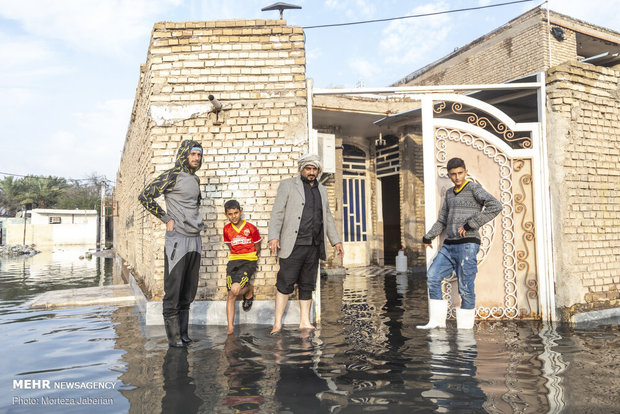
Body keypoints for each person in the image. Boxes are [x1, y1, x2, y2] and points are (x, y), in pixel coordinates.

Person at [417, 157, 502, 330]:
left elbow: (496, 205)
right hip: (449, 246)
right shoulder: (449, 193)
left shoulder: (474, 189)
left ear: (466, 171)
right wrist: (428, 237)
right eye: (453, 174)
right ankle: (436, 322)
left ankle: (465, 329)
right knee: (433, 276)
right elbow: (442, 220)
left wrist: (472, 224)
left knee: (465, 288)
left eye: (460, 173)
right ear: (448, 175)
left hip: (468, 245)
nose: (457, 177)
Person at [268, 154, 344, 335]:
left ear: (318, 171)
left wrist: (336, 241)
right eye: (308, 169)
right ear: (301, 169)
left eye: (314, 169)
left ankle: (304, 321)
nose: (311, 172)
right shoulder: (288, 185)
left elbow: (327, 218)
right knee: (285, 282)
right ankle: (277, 323)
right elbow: (277, 212)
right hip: (293, 244)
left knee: (307, 284)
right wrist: (273, 236)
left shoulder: (323, 190)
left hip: (314, 245)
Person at [138, 139, 203, 347]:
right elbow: (145, 196)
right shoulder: (172, 175)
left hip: (195, 240)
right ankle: (174, 340)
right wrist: (166, 218)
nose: (196, 158)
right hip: (178, 241)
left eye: (199, 155)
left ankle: (184, 335)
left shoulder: (195, 180)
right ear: (184, 154)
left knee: (188, 291)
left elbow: (194, 205)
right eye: (193, 154)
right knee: (174, 291)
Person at [223, 199, 261, 335]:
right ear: (226, 215)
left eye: (236, 213)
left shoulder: (250, 228)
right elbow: (230, 245)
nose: (234, 216)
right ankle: (230, 327)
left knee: (236, 289)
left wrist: (251, 257)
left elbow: (257, 245)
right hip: (233, 261)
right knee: (231, 294)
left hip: (248, 260)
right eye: (230, 214)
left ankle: (248, 290)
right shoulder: (226, 229)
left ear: (241, 211)